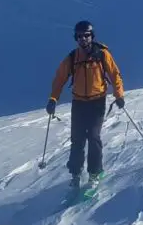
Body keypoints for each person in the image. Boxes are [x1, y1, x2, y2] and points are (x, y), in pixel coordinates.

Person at [46, 20, 125, 189]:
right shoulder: (72, 58)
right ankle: (75, 173)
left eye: (86, 36)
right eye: (80, 36)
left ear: (92, 36)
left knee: (94, 136)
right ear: (76, 38)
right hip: (79, 103)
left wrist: (119, 95)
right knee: (77, 139)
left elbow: (115, 75)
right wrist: (53, 98)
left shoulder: (102, 55)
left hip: (97, 101)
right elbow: (59, 79)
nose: (83, 39)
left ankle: (94, 173)